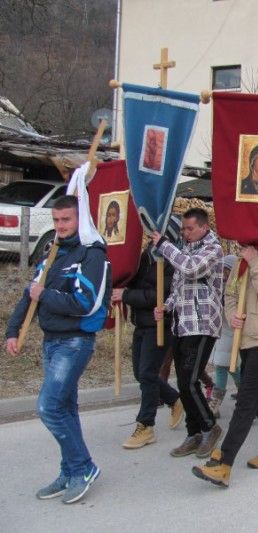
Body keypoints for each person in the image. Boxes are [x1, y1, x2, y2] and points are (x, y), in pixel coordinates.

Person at [5, 195, 110, 504]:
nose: (60, 226)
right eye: (56, 221)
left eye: (66, 220)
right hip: (51, 340)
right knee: (64, 408)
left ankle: (84, 467)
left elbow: (85, 303)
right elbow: (30, 296)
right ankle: (69, 471)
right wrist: (13, 331)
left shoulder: (93, 255)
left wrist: (45, 294)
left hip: (75, 342)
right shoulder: (53, 251)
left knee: (48, 407)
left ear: (80, 219)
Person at [191, 238, 258, 488]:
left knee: (246, 401)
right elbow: (230, 294)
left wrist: (254, 261)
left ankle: (224, 463)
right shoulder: (243, 257)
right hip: (246, 336)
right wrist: (232, 316)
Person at [153, 208, 224, 459]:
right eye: (183, 229)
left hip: (203, 322)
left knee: (189, 380)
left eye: (189, 228)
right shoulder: (185, 249)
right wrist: (167, 306)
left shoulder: (213, 249)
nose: (185, 233)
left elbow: (192, 269)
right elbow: (178, 286)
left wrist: (164, 245)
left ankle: (209, 427)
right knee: (184, 383)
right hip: (183, 324)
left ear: (204, 228)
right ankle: (193, 433)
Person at [114, 217, 185, 448]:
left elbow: (158, 296)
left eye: (157, 236)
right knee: (140, 373)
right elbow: (132, 280)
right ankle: (174, 399)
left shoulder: (173, 262)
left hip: (160, 325)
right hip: (141, 323)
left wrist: (125, 296)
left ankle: (146, 426)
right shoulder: (145, 256)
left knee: (147, 373)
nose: (151, 240)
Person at [207, 255, 240, 419]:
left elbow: (232, 313)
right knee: (231, 368)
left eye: (227, 270)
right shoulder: (219, 286)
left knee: (223, 366)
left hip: (230, 333)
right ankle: (245, 397)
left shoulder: (235, 289)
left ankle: (214, 404)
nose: (224, 273)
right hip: (221, 333)